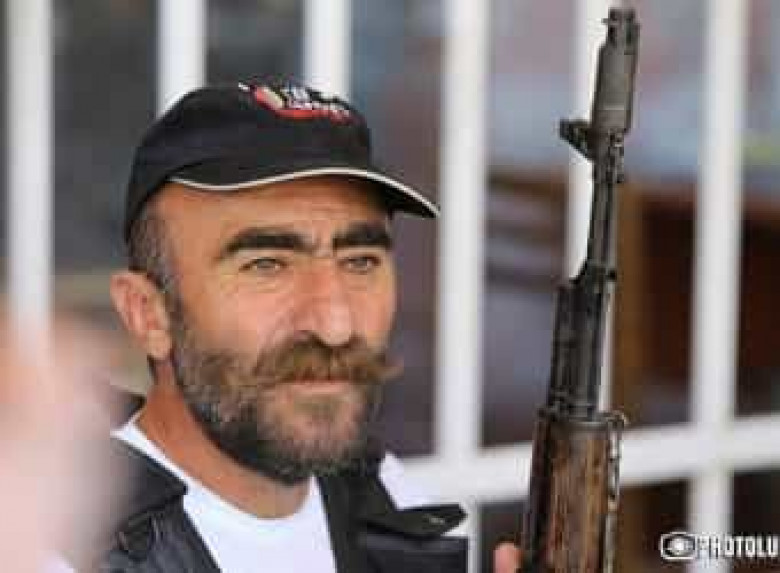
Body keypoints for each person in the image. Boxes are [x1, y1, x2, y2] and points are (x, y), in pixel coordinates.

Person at [48, 82, 522, 572]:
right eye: (267, 266)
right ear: (148, 313)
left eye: (360, 261)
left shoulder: (383, 497)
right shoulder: (55, 547)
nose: (335, 326)